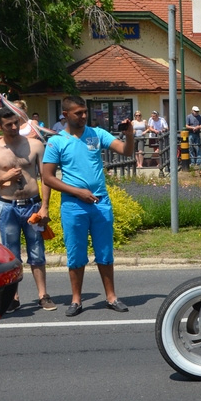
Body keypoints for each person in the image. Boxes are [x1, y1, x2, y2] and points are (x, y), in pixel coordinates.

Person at [41, 95, 134, 317]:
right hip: (74, 206)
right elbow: (47, 177)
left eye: (85, 112)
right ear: (65, 115)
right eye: (78, 113)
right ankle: (76, 300)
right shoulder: (57, 142)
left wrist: (129, 134)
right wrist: (77, 192)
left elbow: (126, 151)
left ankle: (111, 297)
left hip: (101, 203)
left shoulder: (97, 134)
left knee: (105, 252)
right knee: (76, 255)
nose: (84, 116)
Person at [0, 108, 55, 312]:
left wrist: (45, 206)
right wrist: (4, 178)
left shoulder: (35, 145)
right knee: (11, 254)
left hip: (32, 204)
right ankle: (13, 296)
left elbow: (46, 177)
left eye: (16, 123)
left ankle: (43, 295)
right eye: (9, 125)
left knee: (37, 251)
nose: (14, 127)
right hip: (8, 206)